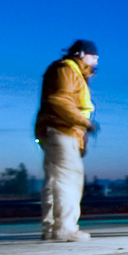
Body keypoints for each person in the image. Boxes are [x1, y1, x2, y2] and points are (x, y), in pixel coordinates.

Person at [35, 39, 99, 241]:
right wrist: (84, 122)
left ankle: (52, 229)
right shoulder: (67, 70)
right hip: (63, 131)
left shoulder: (67, 70)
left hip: (58, 132)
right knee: (68, 180)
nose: (96, 60)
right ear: (81, 54)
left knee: (55, 180)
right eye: (93, 56)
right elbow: (60, 100)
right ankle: (65, 229)